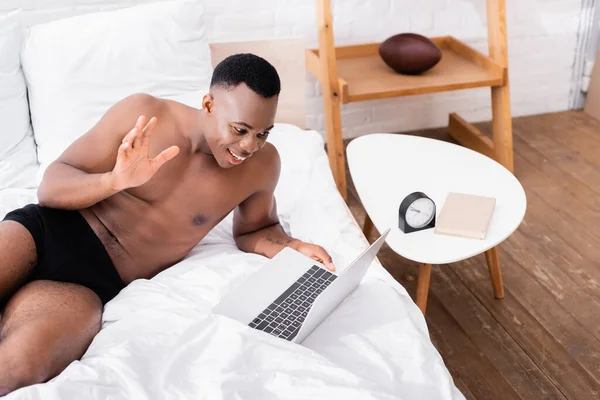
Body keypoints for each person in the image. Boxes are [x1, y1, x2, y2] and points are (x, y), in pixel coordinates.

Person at [0, 53, 335, 395]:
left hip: (93, 282)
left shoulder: (262, 166)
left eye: (263, 133)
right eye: (240, 130)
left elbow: (256, 230)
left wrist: (293, 248)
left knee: (19, 369)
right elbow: (51, 187)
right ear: (208, 104)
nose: (250, 146)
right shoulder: (145, 115)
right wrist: (113, 182)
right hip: (44, 231)